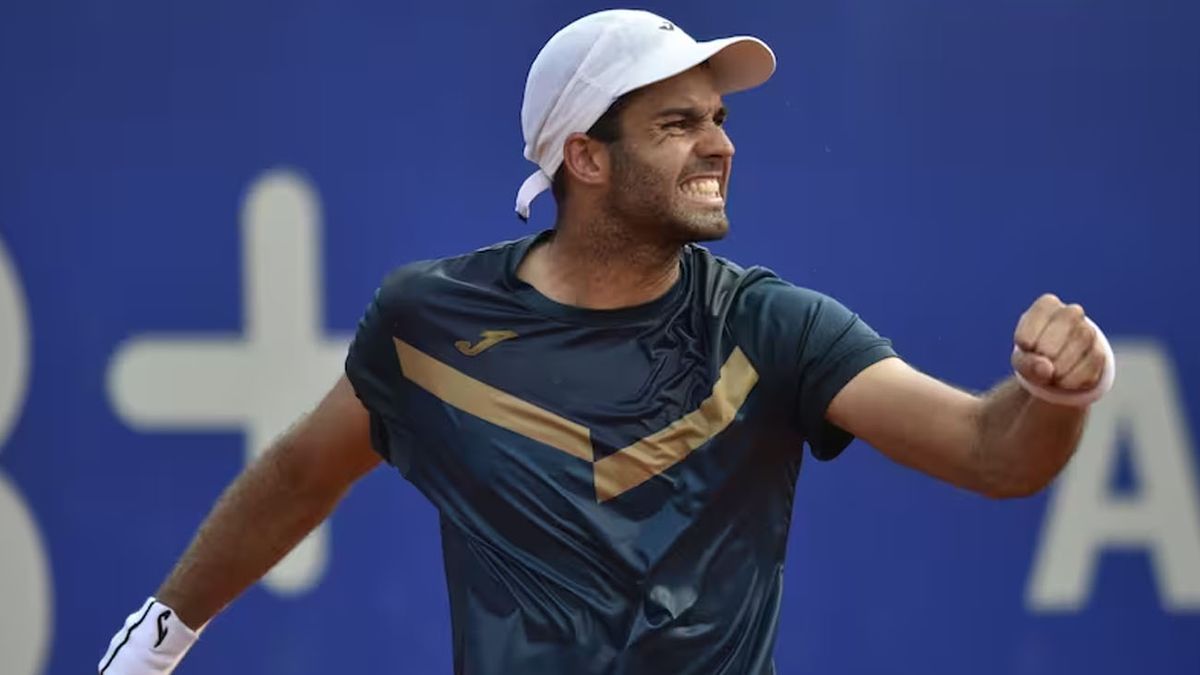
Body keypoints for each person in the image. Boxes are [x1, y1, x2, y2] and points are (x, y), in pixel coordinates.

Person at [98, 9, 1115, 675]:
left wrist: (1061, 393)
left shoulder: (769, 326)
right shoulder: (427, 327)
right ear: (585, 157)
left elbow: (994, 453)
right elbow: (295, 478)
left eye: (718, 117)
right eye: (679, 123)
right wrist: (153, 645)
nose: (721, 142)